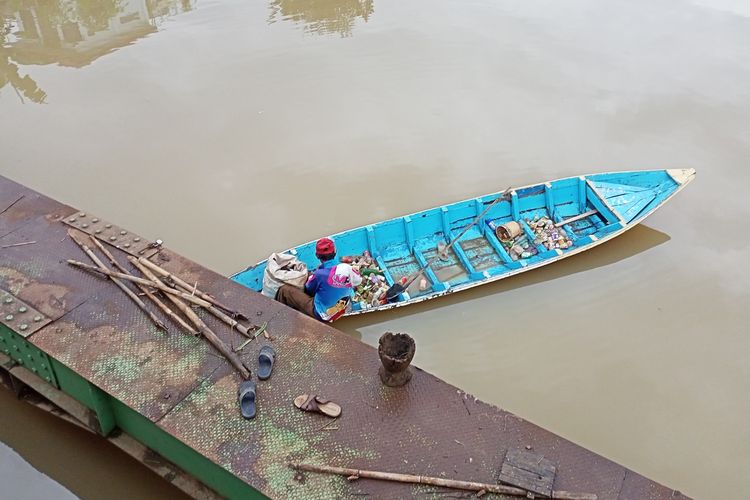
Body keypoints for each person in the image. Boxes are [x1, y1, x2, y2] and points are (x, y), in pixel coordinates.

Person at [275, 238, 362, 322]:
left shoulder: (319, 274)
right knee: (317, 281)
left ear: (317, 256)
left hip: (323, 314)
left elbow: (309, 289)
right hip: (343, 306)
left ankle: (279, 316)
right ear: (335, 252)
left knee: (285, 291)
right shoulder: (347, 268)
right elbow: (358, 281)